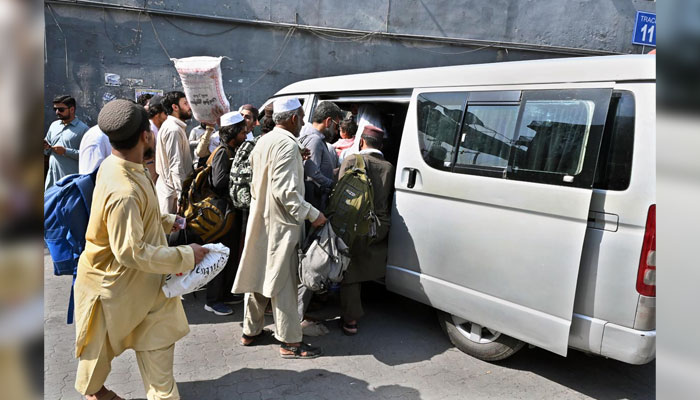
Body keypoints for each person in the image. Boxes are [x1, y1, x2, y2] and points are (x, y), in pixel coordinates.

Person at [73, 99, 209, 400]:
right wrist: (188, 255)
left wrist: (166, 220)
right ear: (146, 135)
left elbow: (139, 216)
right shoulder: (123, 188)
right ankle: (98, 394)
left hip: (150, 288)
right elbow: (130, 252)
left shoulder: (123, 166)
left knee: (160, 359)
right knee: (95, 360)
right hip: (113, 288)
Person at [232, 97, 326, 359]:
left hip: (261, 218)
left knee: (259, 274)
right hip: (280, 224)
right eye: (302, 117)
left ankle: (250, 331)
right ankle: (290, 342)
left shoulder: (265, 140)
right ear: (294, 118)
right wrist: (313, 214)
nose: (305, 121)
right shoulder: (286, 145)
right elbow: (286, 192)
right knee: (284, 282)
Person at [337, 125, 395, 336]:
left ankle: (350, 320)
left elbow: (341, 190)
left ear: (361, 142)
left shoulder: (352, 160)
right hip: (380, 224)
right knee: (366, 261)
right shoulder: (388, 166)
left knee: (350, 269)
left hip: (355, 222)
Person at [203, 111, 248, 316]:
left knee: (229, 254)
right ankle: (212, 300)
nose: (246, 134)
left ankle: (225, 294)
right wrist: (239, 179)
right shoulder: (222, 152)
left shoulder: (232, 150)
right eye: (242, 131)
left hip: (230, 211)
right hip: (221, 213)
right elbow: (219, 182)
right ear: (233, 132)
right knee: (219, 254)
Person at [298, 101, 343, 211]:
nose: (336, 131)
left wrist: (333, 172)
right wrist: (332, 184)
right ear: (328, 121)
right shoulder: (315, 140)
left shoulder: (317, 139)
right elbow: (312, 172)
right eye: (336, 125)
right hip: (314, 200)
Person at [155, 91, 194, 214]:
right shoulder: (173, 130)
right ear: (175, 107)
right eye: (185, 103)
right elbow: (175, 166)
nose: (189, 107)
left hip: (172, 192)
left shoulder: (174, 127)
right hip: (172, 195)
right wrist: (181, 197)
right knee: (169, 231)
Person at [44, 95, 89, 190]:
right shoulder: (54, 125)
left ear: (72, 109)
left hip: (70, 183)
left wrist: (65, 151)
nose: (57, 112)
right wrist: (46, 148)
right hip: (52, 181)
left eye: (61, 109)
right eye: (55, 109)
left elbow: (87, 156)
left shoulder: (83, 130)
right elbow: (47, 151)